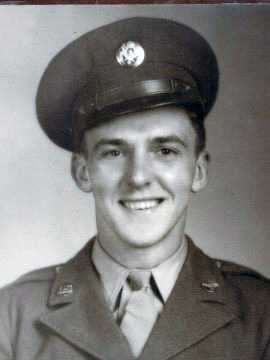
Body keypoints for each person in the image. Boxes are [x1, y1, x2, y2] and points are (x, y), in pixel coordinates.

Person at [0, 17, 269, 360]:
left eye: (165, 151)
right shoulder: (11, 317)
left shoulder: (261, 314)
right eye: (114, 152)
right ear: (83, 172)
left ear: (198, 170)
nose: (138, 176)